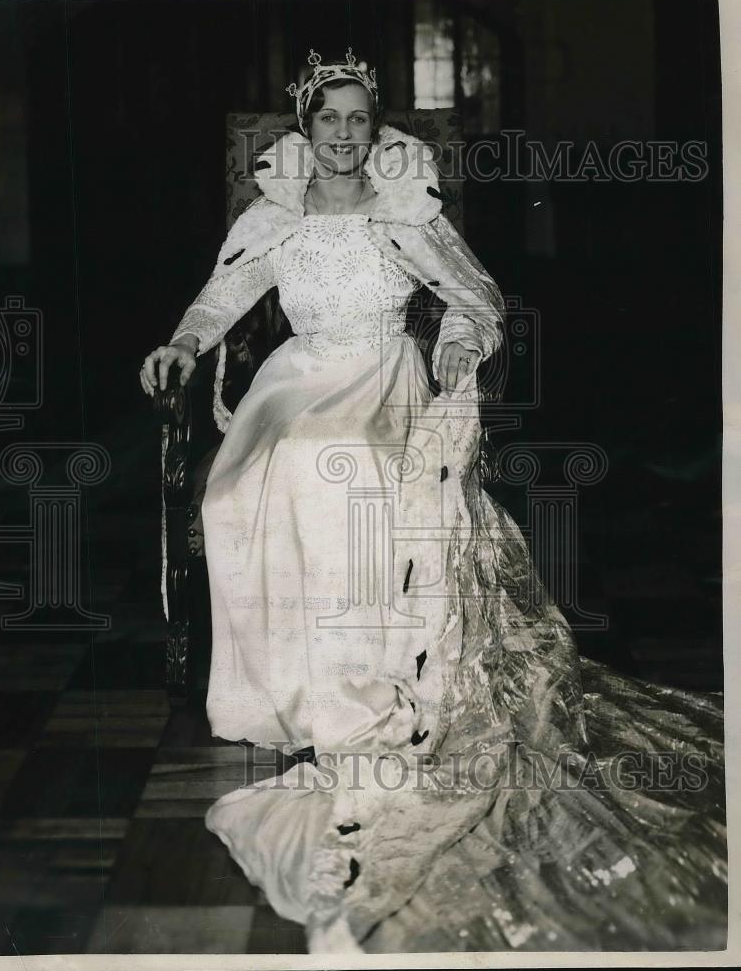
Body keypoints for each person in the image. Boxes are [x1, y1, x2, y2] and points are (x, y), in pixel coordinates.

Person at [140, 49, 726, 954]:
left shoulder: (405, 210)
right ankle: (278, 698)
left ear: (376, 131)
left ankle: (361, 693)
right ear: (305, 129)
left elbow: (477, 295)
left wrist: (457, 343)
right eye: (327, 120)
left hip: (384, 375)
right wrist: (183, 342)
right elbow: (224, 294)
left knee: (345, 467)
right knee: (248, 481)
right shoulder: (277, 215)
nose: (342, 136)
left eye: (357, 121)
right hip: (298, 377)